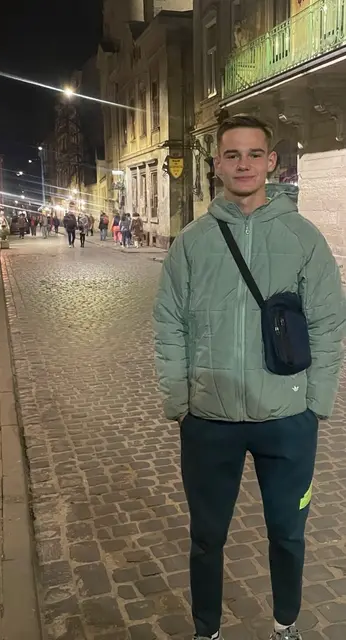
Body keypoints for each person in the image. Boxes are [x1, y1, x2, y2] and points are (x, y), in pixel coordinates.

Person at [153, 114, 346, 640]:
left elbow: (329, 322)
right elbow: (168, 322)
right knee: (206, 537)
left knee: (288, 533)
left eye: (254, 154)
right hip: (209, 420)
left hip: (286, 419)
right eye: (232, 155)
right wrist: (179, 402)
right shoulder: (192, 242)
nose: (244, 165)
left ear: (271, 162)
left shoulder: (303, 238)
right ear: (217, 164)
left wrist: (316, 404)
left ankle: (285, 625)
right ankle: (207, 631)